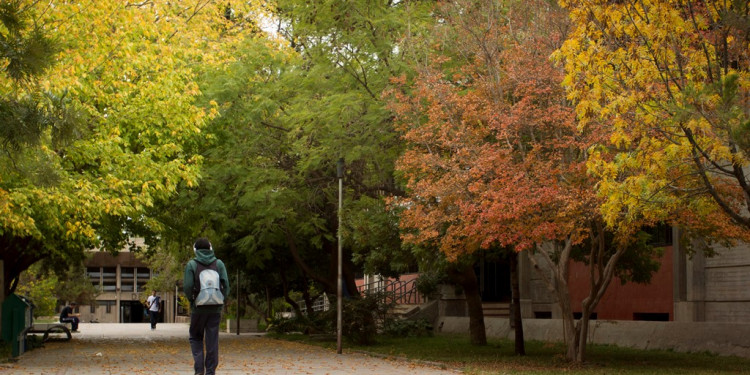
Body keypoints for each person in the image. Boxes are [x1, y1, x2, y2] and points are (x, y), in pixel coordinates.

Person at [184, 237, 230, 375]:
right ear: (211, 249)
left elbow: (187, 287)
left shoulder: (192, 264)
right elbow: (226, 286)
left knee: (195, 337)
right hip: (215, 308)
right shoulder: (219, 263)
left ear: (195, 250)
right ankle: (210, 371)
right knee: (212, 341)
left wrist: (193, 302)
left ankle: (199, 370)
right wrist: (221, 300)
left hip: (198, 308)